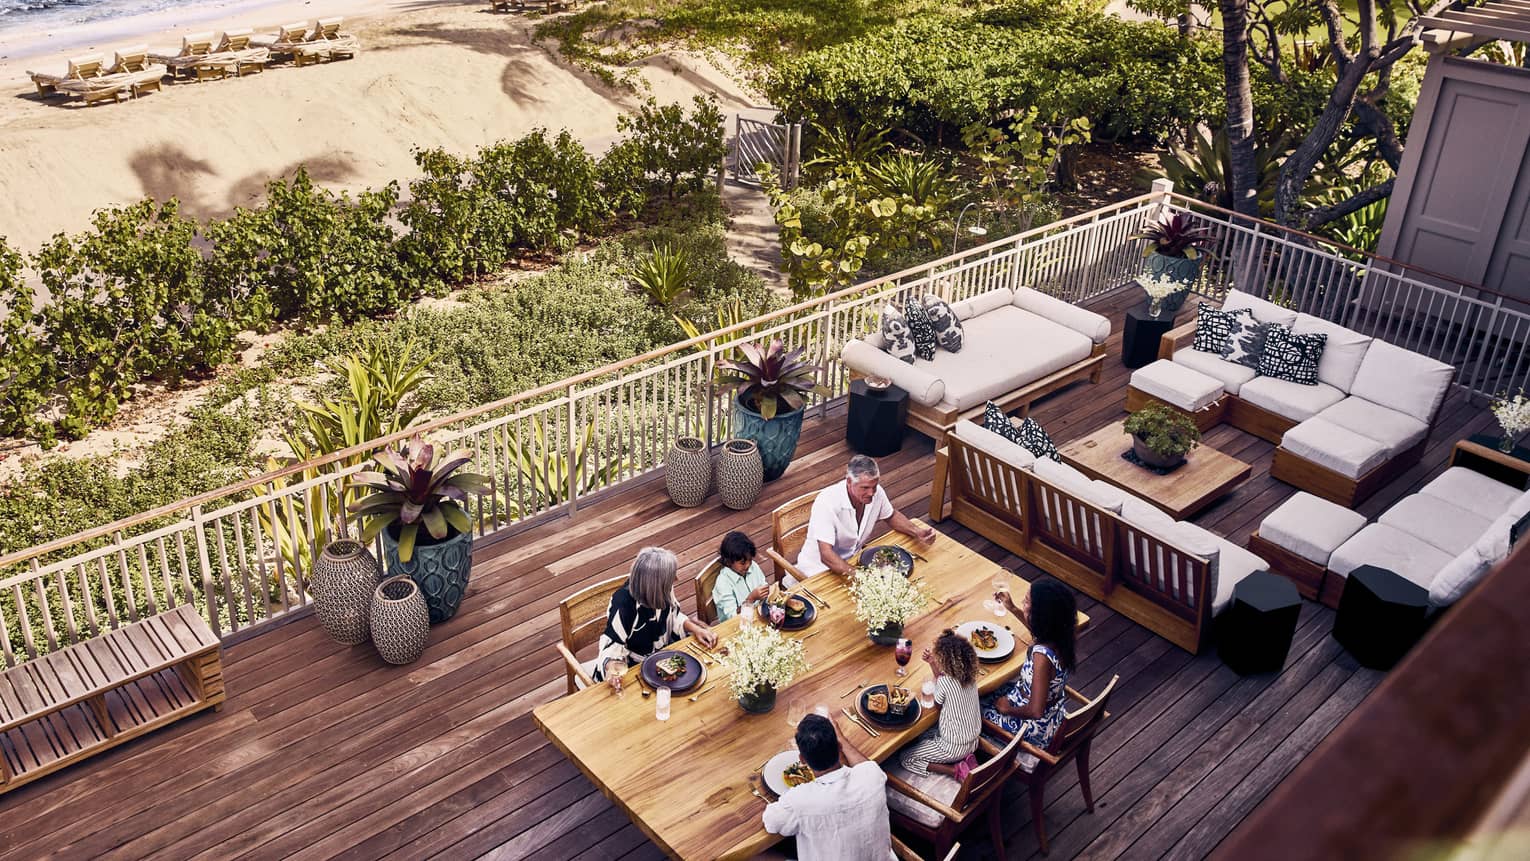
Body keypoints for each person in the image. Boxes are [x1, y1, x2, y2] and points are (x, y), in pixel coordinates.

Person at [762, 713, 895, 861]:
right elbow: (865, 765)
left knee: (755, 855)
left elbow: (771, 823)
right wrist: (842, 738)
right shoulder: (872, 775)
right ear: (839, 747)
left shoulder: (799, 801)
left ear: (802, 759)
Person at [980, 577, 1076, 768]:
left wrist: (1007, 709)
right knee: (987, 689)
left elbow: (1035, 711)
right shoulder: (1063, 635)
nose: (1023, 603)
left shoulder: (1042, 657)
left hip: (1033, 727)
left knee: (971, 708)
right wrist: (1013, 608)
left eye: (1026, 601)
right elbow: (1041, 634)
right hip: (1053, 715)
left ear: (1040, 614)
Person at [794, 454, 936, 583]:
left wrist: (917, 532)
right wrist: (861, 577)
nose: (871, 493)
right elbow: (826, 555)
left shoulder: (876, 493)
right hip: (818, 571)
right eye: (865, 488)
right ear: (849, 481)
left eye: (874, 486)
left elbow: (891, 515)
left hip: (854, 562)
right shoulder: (827, 502)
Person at [592, 546, 717, 691]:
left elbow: (672, 616)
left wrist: (696, 629)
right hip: (635, 670)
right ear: (656, 584)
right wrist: (612, 669)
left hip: (661, 658)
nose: (677, 579)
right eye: (672, 577)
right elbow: (611, 648)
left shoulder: (662, 589)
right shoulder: (624, 605)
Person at [897, 629, 983, 780]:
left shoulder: (944, 682)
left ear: (945, 661)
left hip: (952, 747)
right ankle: (967, 760)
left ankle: (955, 770)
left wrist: (934, 672)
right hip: (973, 741)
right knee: (922, 737)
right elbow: (946, 683)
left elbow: (938, 705)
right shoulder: (970, 678)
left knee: (906, 757)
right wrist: (932, 664)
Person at [711, 531, 771, 622]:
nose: (747, 565)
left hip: (757, 617)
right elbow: (732, 617)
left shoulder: (753, 566)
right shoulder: (723, 583)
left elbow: (764, 585)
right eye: (742, 563)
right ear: (728, 562)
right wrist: (750, 599)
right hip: (736, 626)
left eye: (750, 560)